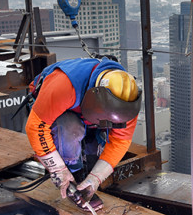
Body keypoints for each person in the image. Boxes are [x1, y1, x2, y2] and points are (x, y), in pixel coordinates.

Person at [26, 57, 142, 206]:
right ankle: (72, 177)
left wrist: (95, 178)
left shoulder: (127, 102)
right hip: (55, 112)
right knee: (70, 128)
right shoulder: (64, 86)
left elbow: (119, 142)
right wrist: (57, 169)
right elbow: (36, 127)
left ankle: (84, 176)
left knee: (94, 150)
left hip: (86, 113)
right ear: (96, 95)